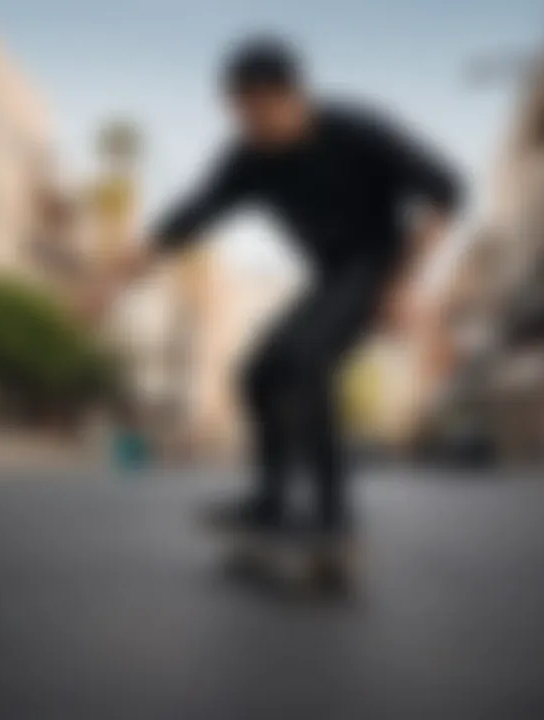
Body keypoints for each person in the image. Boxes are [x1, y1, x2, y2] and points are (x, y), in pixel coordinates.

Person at [85, 37, 464, 571]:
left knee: (304, 360)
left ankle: (333, 519)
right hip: (332, 275)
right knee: (256, 373)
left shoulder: (358, 130)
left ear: (295, 98)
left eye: (261, 111)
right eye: (239, 114)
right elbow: (183, 220)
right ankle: (270, 505)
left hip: (379, 263)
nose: (252, 126)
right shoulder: (248, 159)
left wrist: (403, 285)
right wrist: (107, 284)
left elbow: (448, 191)